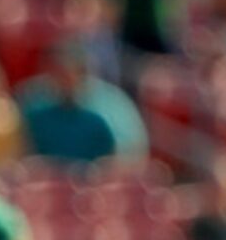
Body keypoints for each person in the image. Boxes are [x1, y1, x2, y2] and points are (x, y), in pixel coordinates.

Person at [17, 43, 148, 164]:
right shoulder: (34, 104)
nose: (62, 78)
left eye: (67, 71)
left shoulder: (111, 107)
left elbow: (129, 156)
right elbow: (23, 153)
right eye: (55, 71)